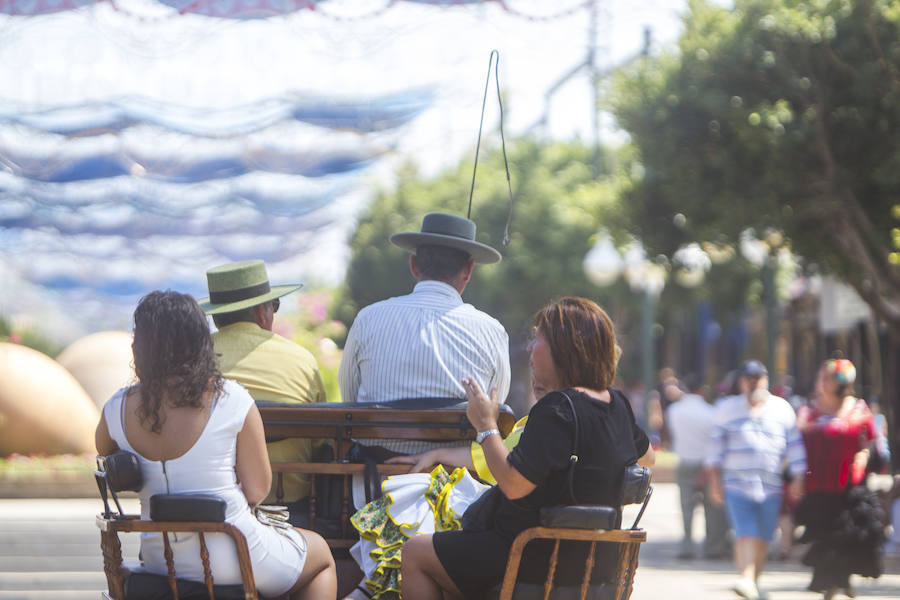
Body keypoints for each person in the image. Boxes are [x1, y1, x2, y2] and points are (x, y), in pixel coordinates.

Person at [399, 297, 655, 600]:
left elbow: (514, 484)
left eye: (538, 339)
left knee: (415, 552)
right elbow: (647, 458)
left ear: (565, 346)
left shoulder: (558, 407)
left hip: (530, 558)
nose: (530, 349)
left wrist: (485, 425)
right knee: (452, 563)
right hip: (595, 568)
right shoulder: (617, 405)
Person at [95, 290, 335, 599]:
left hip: (159, 561)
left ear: (139, 347)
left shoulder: (116, 409)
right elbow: (257, 490)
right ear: (202, 343)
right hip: (236, 555)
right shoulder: (232, 399)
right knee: (321, 558)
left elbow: (106, 456)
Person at [338, 212, 510, 454]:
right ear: (469, 270)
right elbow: (494, 411)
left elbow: (350, 403)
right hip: (460, 487)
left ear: (413, 265)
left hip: (372, 482)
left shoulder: (368, 318)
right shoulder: (492, 331)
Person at [199, 259, 327, 506]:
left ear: (216, 318)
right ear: (261, 312)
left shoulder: (193, 359)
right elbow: (323, 442)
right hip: (292, 501)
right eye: (274, 305)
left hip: (216, 500)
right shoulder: (302, 360)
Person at [706, 360, 807, 600]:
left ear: (766, 380)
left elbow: (795, 448)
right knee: (745, 532)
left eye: (758, 378)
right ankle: (747, 578)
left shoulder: (782, 410)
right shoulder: (726, 409)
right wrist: (714, 481)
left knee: (763, 537)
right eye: (748, 378)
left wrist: (799, 477)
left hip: (770, 486)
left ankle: (752, 582)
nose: (753, 383)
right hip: (736, 484)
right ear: (741, 382)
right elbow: (714, 450)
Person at [794, 358, 888, 599]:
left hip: (850, 485)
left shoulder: (858, 409)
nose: (822, 382)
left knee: (849, 534)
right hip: (818, 486)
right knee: (825, 535)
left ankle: (840, 581)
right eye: (821, 377)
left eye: (828, 378)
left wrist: (863, 457)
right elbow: (795, 446)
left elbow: (870, 443)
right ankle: (833, 583)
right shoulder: (808, 411)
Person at [665, 374, 729, 559]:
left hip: (684, 461)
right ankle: (713, 546)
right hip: (706, 463)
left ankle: (687, 546)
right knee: (711, 507)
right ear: (702, 390)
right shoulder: (711, 412)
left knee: (686, 506)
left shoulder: (674, 410)